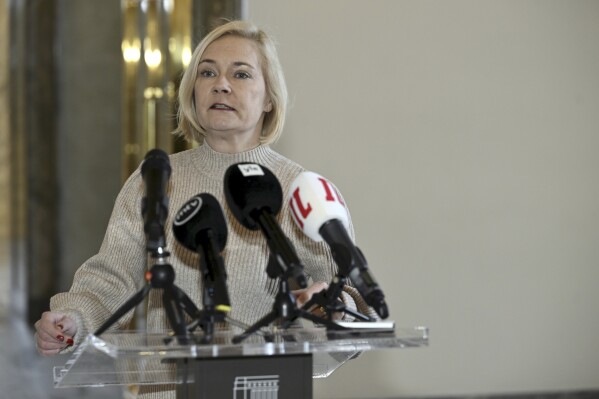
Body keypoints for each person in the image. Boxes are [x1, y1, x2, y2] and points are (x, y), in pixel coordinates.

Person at [34, 20, 377, 398]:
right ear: (192, 90)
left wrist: (334, 307)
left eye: (241, 73)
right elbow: (113, 278)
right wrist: (75, 319)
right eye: (207, 72)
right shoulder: (157, 179)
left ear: (269, 98)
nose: (221, 84)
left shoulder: (302, 191)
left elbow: (346, 297)